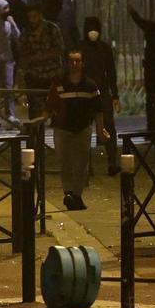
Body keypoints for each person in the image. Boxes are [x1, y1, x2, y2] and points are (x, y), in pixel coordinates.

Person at [44, 51, 109, 211]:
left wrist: (101, 129)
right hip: (62, 128)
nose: (74, 64)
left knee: (81, 164)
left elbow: (98, 110)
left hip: (83, 128)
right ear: (67, 63)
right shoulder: (59, 84)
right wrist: (42, 120)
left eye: (78, 61)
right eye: (71, 61)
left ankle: (77, 195)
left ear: (82, 63)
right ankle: (68, 193)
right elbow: (50, 104)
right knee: (65, 162)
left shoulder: (90, 86)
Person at [80, 16, 120, 175]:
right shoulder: (80, 48)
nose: (93, 32)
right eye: (90, 28)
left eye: (95, 28)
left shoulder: (105, 48)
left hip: (102, 92)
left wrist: (115, 94)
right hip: (84, 93)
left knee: (108, 126)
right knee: (84, 130)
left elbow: (111, 72)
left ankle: (112, 162)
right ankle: (86, 166)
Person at [17, 5, 65, 119]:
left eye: (34, 17)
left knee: (56, 109)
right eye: (29, 17)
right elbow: (22, 53)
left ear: (40, 16)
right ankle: (35, 134)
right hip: (35, 76)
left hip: (53, 75)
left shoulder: (52, 29)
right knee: (35, 111)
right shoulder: (26, 32)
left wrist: (42, 56)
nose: (32, 20)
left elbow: (60, 49)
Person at [0, 0, 21, 124]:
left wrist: (13, 24)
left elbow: (17, 36)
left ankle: (10, 114)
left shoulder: (8, 25)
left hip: (8, 60)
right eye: (4, 8)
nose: (7, 11)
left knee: (9, 87)